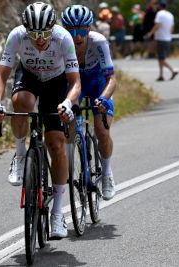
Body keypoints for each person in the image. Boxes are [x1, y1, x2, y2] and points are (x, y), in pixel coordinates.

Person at [0, 2, 81, 239]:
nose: (39, 40)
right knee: (21, 102)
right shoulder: (16, 37)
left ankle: (57, 213)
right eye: (34, 34)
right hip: (29, 76)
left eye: (44, 34)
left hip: (56, 83)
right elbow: (1, 75)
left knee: (57, 144)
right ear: (25, 30)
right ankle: (21, 157)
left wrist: (67, 104)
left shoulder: (63, 39)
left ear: (53, 28)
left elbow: (75, 83)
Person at [61, 5, 117, 200]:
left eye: (82, 31)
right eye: (72, 31)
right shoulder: (61, 44)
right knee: (69, 123)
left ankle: (107, 172)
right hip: (75, 84)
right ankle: (74, 165)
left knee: (102, 131)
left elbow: (112, 79)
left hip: (98, 84)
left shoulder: (99, 42)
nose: (77, 37)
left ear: (89, 29)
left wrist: (103, 98)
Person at [145, 0, 179, 81]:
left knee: (161, 58)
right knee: (161, 58)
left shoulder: (159, 14)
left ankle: (172, 70)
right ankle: (161, 75)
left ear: (160, 6)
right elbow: (172, 28)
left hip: (161, 38)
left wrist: (150, 33)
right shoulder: (170, 15)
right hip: (167, 38)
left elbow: (157, 25)